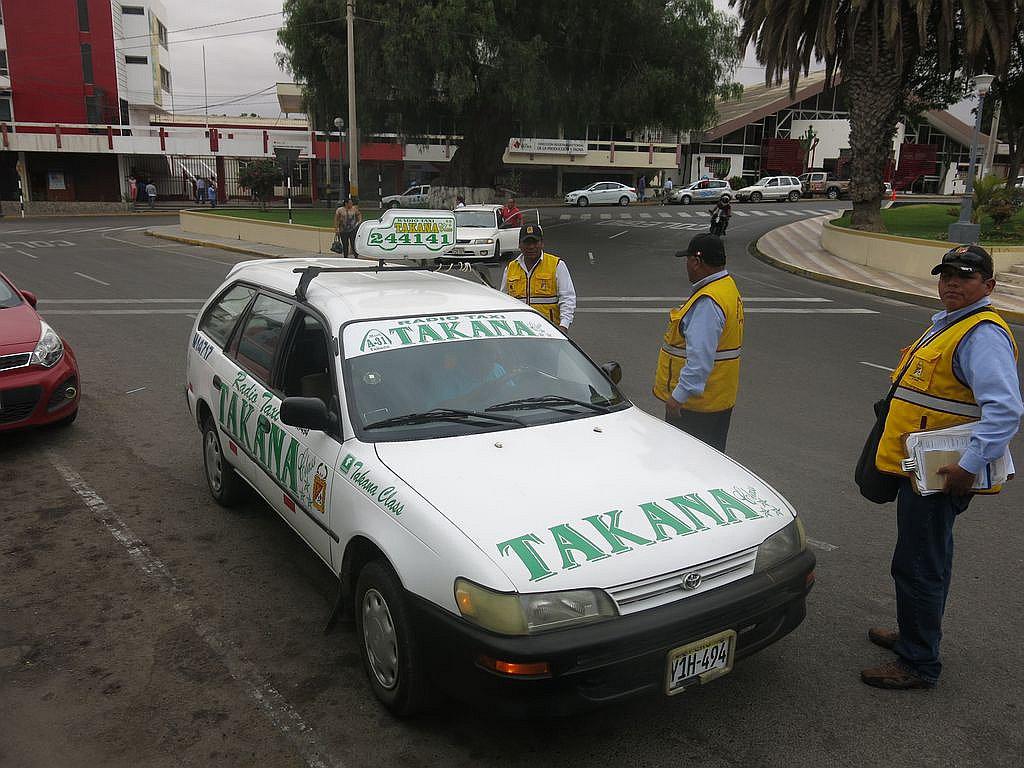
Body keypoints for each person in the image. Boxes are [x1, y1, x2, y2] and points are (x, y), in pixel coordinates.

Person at [861, 244, 1022, 690]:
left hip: (943, 474)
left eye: (964, 276)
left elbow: (1006, 410)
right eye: (946, 274)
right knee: (925, 559)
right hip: (923, 468)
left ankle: (918, 662)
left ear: (988, 285)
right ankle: (914, 634)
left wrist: (970, 465)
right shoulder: (952, 325)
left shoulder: (981, 334)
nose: (951, 282)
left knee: (919, 564)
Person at [652, 233, 743, 452]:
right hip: (718, 401)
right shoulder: (727, 288)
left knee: (684, 465)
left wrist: (677, 398)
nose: (686, 266)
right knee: (710, 462)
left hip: (694, 408)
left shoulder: (708, 302)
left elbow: (699, 360)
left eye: (687, 260)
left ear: (697, 261)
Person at [500, 223, 576, 333]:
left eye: (535, 242)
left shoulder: (556, 265)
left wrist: (564, 325)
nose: (531, 247)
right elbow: (504, 301)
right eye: (527, 243)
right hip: (520, 330)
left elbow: (567, 298)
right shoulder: (510, 268)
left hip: (549, 330)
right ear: (519, 245)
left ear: (542, 244)